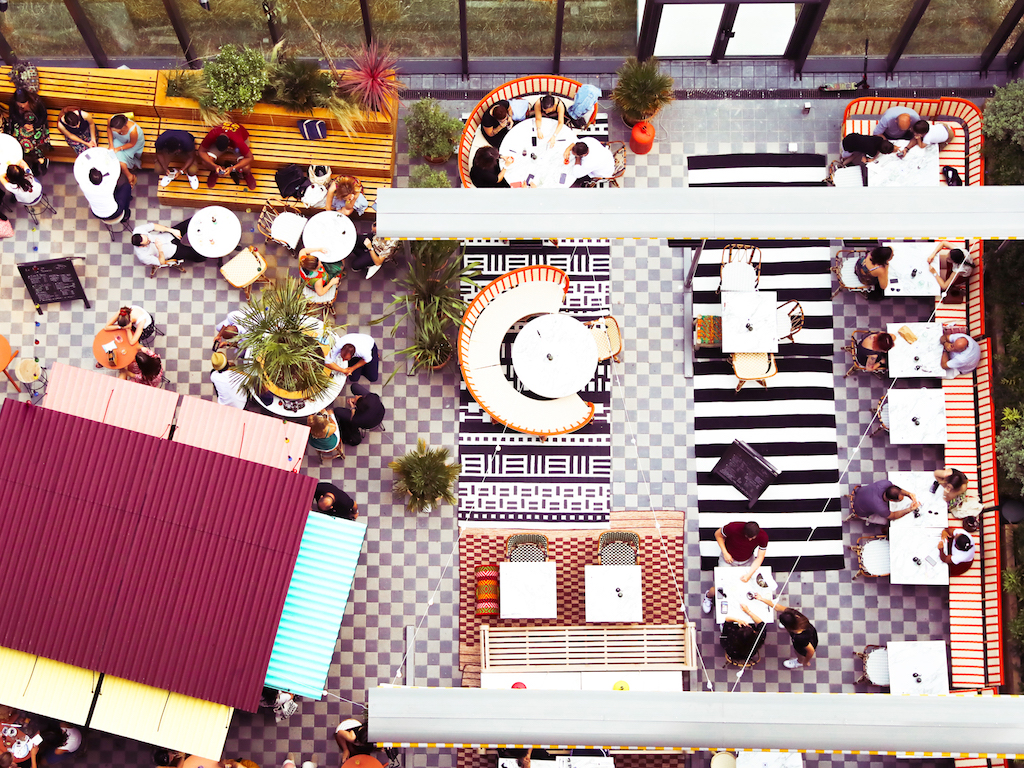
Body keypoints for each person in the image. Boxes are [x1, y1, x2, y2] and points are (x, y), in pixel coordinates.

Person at [702, 521, 768, 614]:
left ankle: (736, 609)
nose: (749, 540)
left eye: (752, 538)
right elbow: (717, 534)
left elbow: (760, 557)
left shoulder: (763, 536)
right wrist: (725, 552)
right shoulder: (733, 527)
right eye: (747, 537)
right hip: (728, 560)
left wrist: (749, 574)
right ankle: (708, 596)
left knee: (748, 585)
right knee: (722, 586)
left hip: (747, 560)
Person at [752, 594, 818, 668]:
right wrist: (761, 598)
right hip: (811, 631)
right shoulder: (795, 614)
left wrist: (806, 662)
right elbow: (777, 607)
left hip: (805, 644)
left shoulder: (800, 637)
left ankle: (799, 662)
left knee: (798, 653)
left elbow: (811, 651)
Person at [74, 149, 132, 224]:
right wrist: (111, 151)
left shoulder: (83, 185)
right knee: (127, 186)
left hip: (96, 213)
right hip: (115, 212)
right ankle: (126, 212)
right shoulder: (108, 185)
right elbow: (115, 162)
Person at [199, 122, 257, 190]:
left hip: (238, 142)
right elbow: (201, 151)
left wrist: (233, 168)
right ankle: (215, 171)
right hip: (226, 140)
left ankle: (247, 174)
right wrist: (214, 165)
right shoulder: (213, 134)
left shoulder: (238, 140)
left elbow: (250, 157)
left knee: (246, 167)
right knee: (205, 162)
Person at [131, 219, 205, 272]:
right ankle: (200, 258)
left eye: (147, 237)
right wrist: (160, 249)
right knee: (198, 255)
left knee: (192, 222)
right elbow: (162, 262)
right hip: (172, 251)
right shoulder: (143, 256)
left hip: (168, 236)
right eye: (148, 241)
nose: (150, 239)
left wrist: (171, 230)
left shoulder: (138, 230)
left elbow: (153, 226)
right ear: (141, 246)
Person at [7, 88, 50, 176]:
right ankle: (36, 161)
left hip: (36, 124)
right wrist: (23, 124)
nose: (21, 106)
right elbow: (13, 115)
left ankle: (37, 160)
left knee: (34, 142)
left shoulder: (36, 102)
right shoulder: (13, 103)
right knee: (22, 142)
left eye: (23, 103)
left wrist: (34, 126)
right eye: (19, 104)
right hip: (22, 125)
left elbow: (43, 116)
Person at [851, 479, 919, 525]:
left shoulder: (886, 483)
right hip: (859, 510)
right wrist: (910, 509)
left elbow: (896, 488)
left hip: (859, 492)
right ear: (891, 500)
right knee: (888, 521)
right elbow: (894, 516)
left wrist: (908, 494)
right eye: (900, 500)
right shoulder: (881, 508)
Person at [107, 114, 145, 187]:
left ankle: (130, 175)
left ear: (123, 127)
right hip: (119, 139)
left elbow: (132, 144)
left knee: (121, 161)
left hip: (134, 143)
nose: (113, 130)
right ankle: (129, 175)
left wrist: (118, 148)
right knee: (114, 156)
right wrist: (111, 145)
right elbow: (109, 129)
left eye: (114, 130)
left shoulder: (133, 131)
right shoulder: (111, 120)